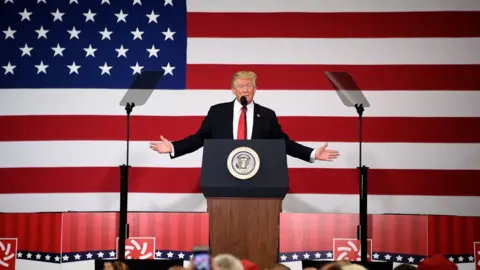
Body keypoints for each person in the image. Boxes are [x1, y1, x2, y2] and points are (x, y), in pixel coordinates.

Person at [150, 71, 339, 162]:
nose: (246, 90)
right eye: (241, 86)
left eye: (249, 86)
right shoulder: (217, 112)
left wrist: (312, 153)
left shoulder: (267, 115)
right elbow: (200, 139)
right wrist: (174, 146)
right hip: (222, 174)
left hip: (258, 175)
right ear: (233, 90)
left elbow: (283, 143)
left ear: (255, 89)